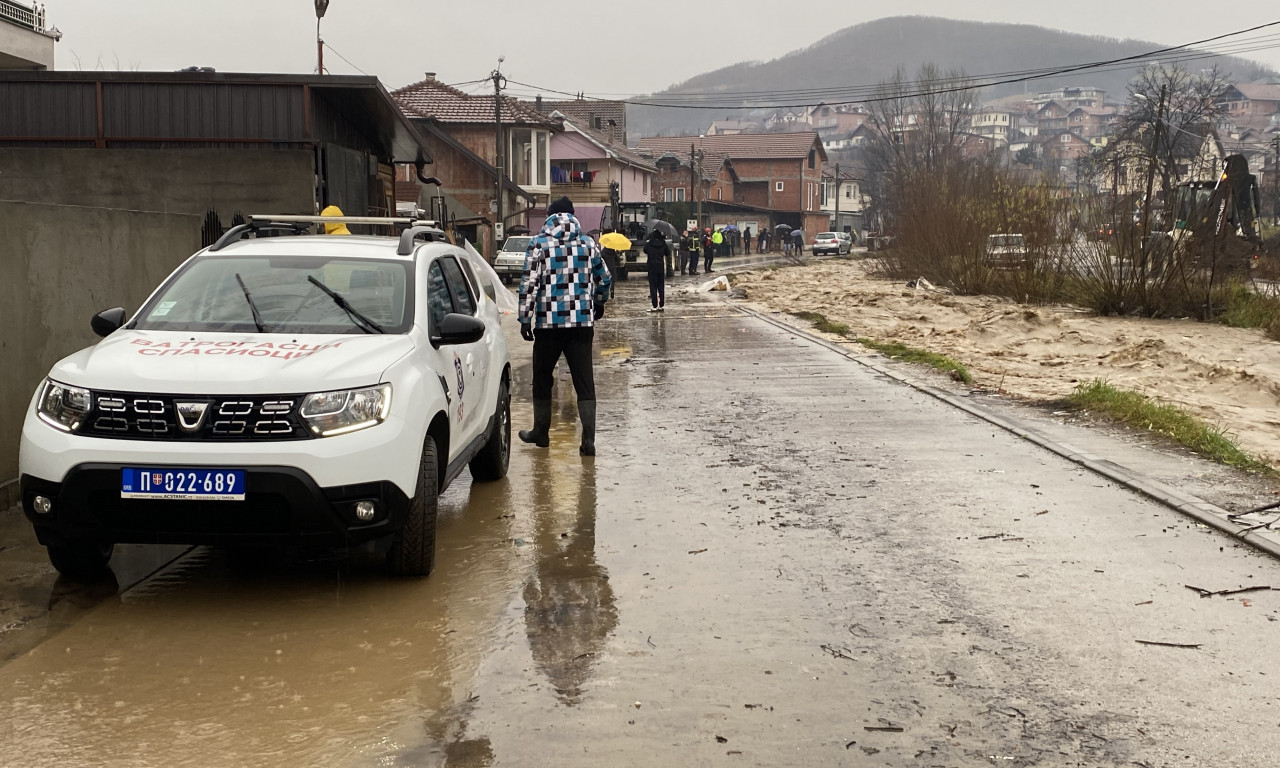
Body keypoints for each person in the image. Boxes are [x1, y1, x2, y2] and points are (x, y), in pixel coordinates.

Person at [517, 196, 612, 456]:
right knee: (584, 381)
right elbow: (605, 279)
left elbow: (528, 285)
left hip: (548, 325)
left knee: (541, 377)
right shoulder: (588, 244)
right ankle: (588, 440)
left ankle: (541, 432)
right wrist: (598, 302)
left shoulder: (538, 244)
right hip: (581, 323)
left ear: (549, 215)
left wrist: (525, 318)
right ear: (572, 214)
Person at [643, 229, 669, 312]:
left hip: (651, 267)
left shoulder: (649, 244)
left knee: (653, 287)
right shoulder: (663, 243)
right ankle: (661, 305)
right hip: (660, 267)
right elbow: (667, 252)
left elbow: (645, 250)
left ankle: (654, 305)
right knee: (661, 286)